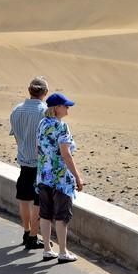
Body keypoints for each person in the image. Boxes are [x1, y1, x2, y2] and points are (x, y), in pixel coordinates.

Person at [37, 93, 84, 263]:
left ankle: (47, 250)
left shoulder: (41, 124)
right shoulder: (61, 127)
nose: (68, 108)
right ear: (56, 108)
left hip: (44, 176)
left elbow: (38, 149)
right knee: (62, 215)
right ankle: (63, 252)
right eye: (65, 105)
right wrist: (77, 177)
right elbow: (66, 154)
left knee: (45, 213)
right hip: (61, 179)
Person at [10, 76, 48, 250]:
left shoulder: (16, 110)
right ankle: (33, 236)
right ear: (45, 93)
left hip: (24, 162)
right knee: (37, 203)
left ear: (29, 91)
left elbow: (17, 138)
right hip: (39, 164)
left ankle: (26, 232)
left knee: (24, 200)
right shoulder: (45, 111)